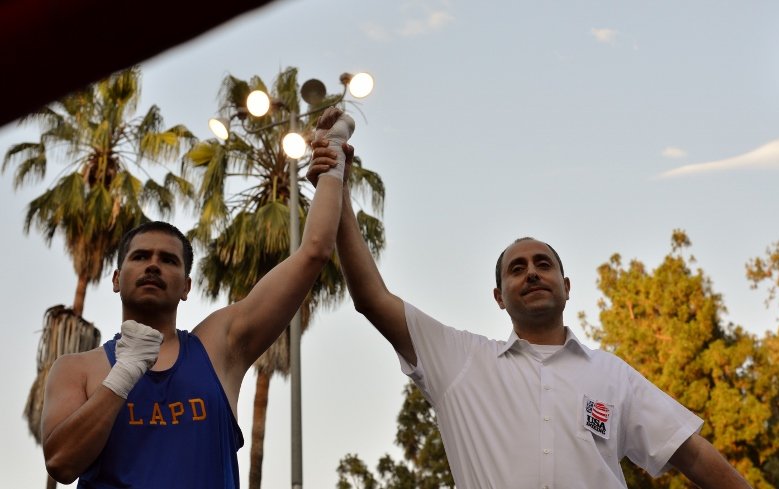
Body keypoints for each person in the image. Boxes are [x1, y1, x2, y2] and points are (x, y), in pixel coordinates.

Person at [307, 141, 753, 488]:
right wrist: (338, 188)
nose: (532, 273)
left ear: (567, 287)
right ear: (499, 297)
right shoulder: (460, 359)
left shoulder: (612, 375)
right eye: (517, 269)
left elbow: (691, 453)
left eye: (543, 264)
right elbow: (372, 298)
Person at [40, 107, 352, 488]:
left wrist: (332, 156)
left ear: (187, 287)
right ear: (117, 279)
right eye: (140, 257)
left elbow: (313, 253)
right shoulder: (77, 369)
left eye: (168, 260)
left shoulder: (220, 347)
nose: (153, 265)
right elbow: (61, 463)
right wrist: (124, 373)